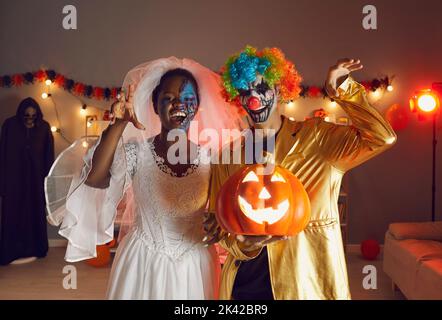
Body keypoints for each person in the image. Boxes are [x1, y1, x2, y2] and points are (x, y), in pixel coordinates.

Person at [204, 46, 397, 299]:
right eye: (245, 91)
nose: (254, 98)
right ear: (237, 98)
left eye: (262, 89)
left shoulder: (317, 136)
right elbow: (220, 227)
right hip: (245, 283)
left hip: (306, 279)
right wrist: (242, 246)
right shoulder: (227, 156)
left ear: (279, 90)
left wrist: (343, 90)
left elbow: (382, 138)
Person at [50, 57, 244, 299]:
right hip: (143, 261)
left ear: (197, 107)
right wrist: (119, 123)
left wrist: (220, 223)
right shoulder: (136, 152)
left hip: (195, 265)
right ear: (155, 105)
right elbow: (95, 179)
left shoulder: (211, 158)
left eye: (187, 99)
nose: (178, 105)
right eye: (169, 98)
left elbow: (226, 208)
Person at [0, 97, 54, 265]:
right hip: (13, 179)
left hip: (36, 180)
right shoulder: (9, 126)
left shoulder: (44, 128)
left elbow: (48, 157)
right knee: (13, 213)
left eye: (33, 115)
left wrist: (48, 184)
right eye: (26, 116)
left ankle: (35, 247)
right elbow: (2, 154)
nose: (30, 118)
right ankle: (11, 250)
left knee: (34, 212)